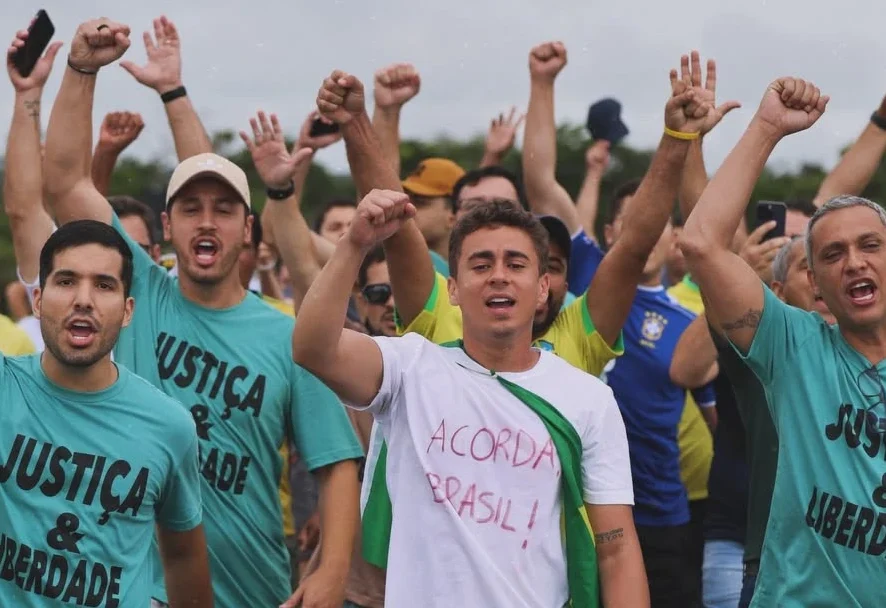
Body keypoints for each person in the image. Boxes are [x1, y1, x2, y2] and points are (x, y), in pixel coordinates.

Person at [42, 18, 363, 608]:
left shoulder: (287, 336)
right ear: (168, 228)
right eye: (190, 208)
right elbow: (63, 180)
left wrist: (331, 570)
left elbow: (337, 460)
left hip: (250, 586)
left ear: (248, 230)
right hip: (129, 582)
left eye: (223, 209)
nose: (207, 221)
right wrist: (81, 69)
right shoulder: (141, 291)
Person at [293, 189, 646, 607]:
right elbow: (313, 348)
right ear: (454, 289)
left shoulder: (588, 398)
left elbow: (617, 549)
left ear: (541, 289)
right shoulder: (409, 367)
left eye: (516, 264)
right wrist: (354, 244)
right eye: (481, 265)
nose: (499, 276)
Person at [681, 75, 886, 606]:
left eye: (871, 245)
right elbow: (702, 243)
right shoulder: (794, 348)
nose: (855, 262)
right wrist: (767, 127)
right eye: (833, 254)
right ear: (812, 284)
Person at [0, 219, 211, 607]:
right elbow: (22, 206)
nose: (83, 299)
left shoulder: (170, 426)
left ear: (128, 310)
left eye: (104, 285)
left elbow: (183, 555)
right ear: (38, 299)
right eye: (65, 281)